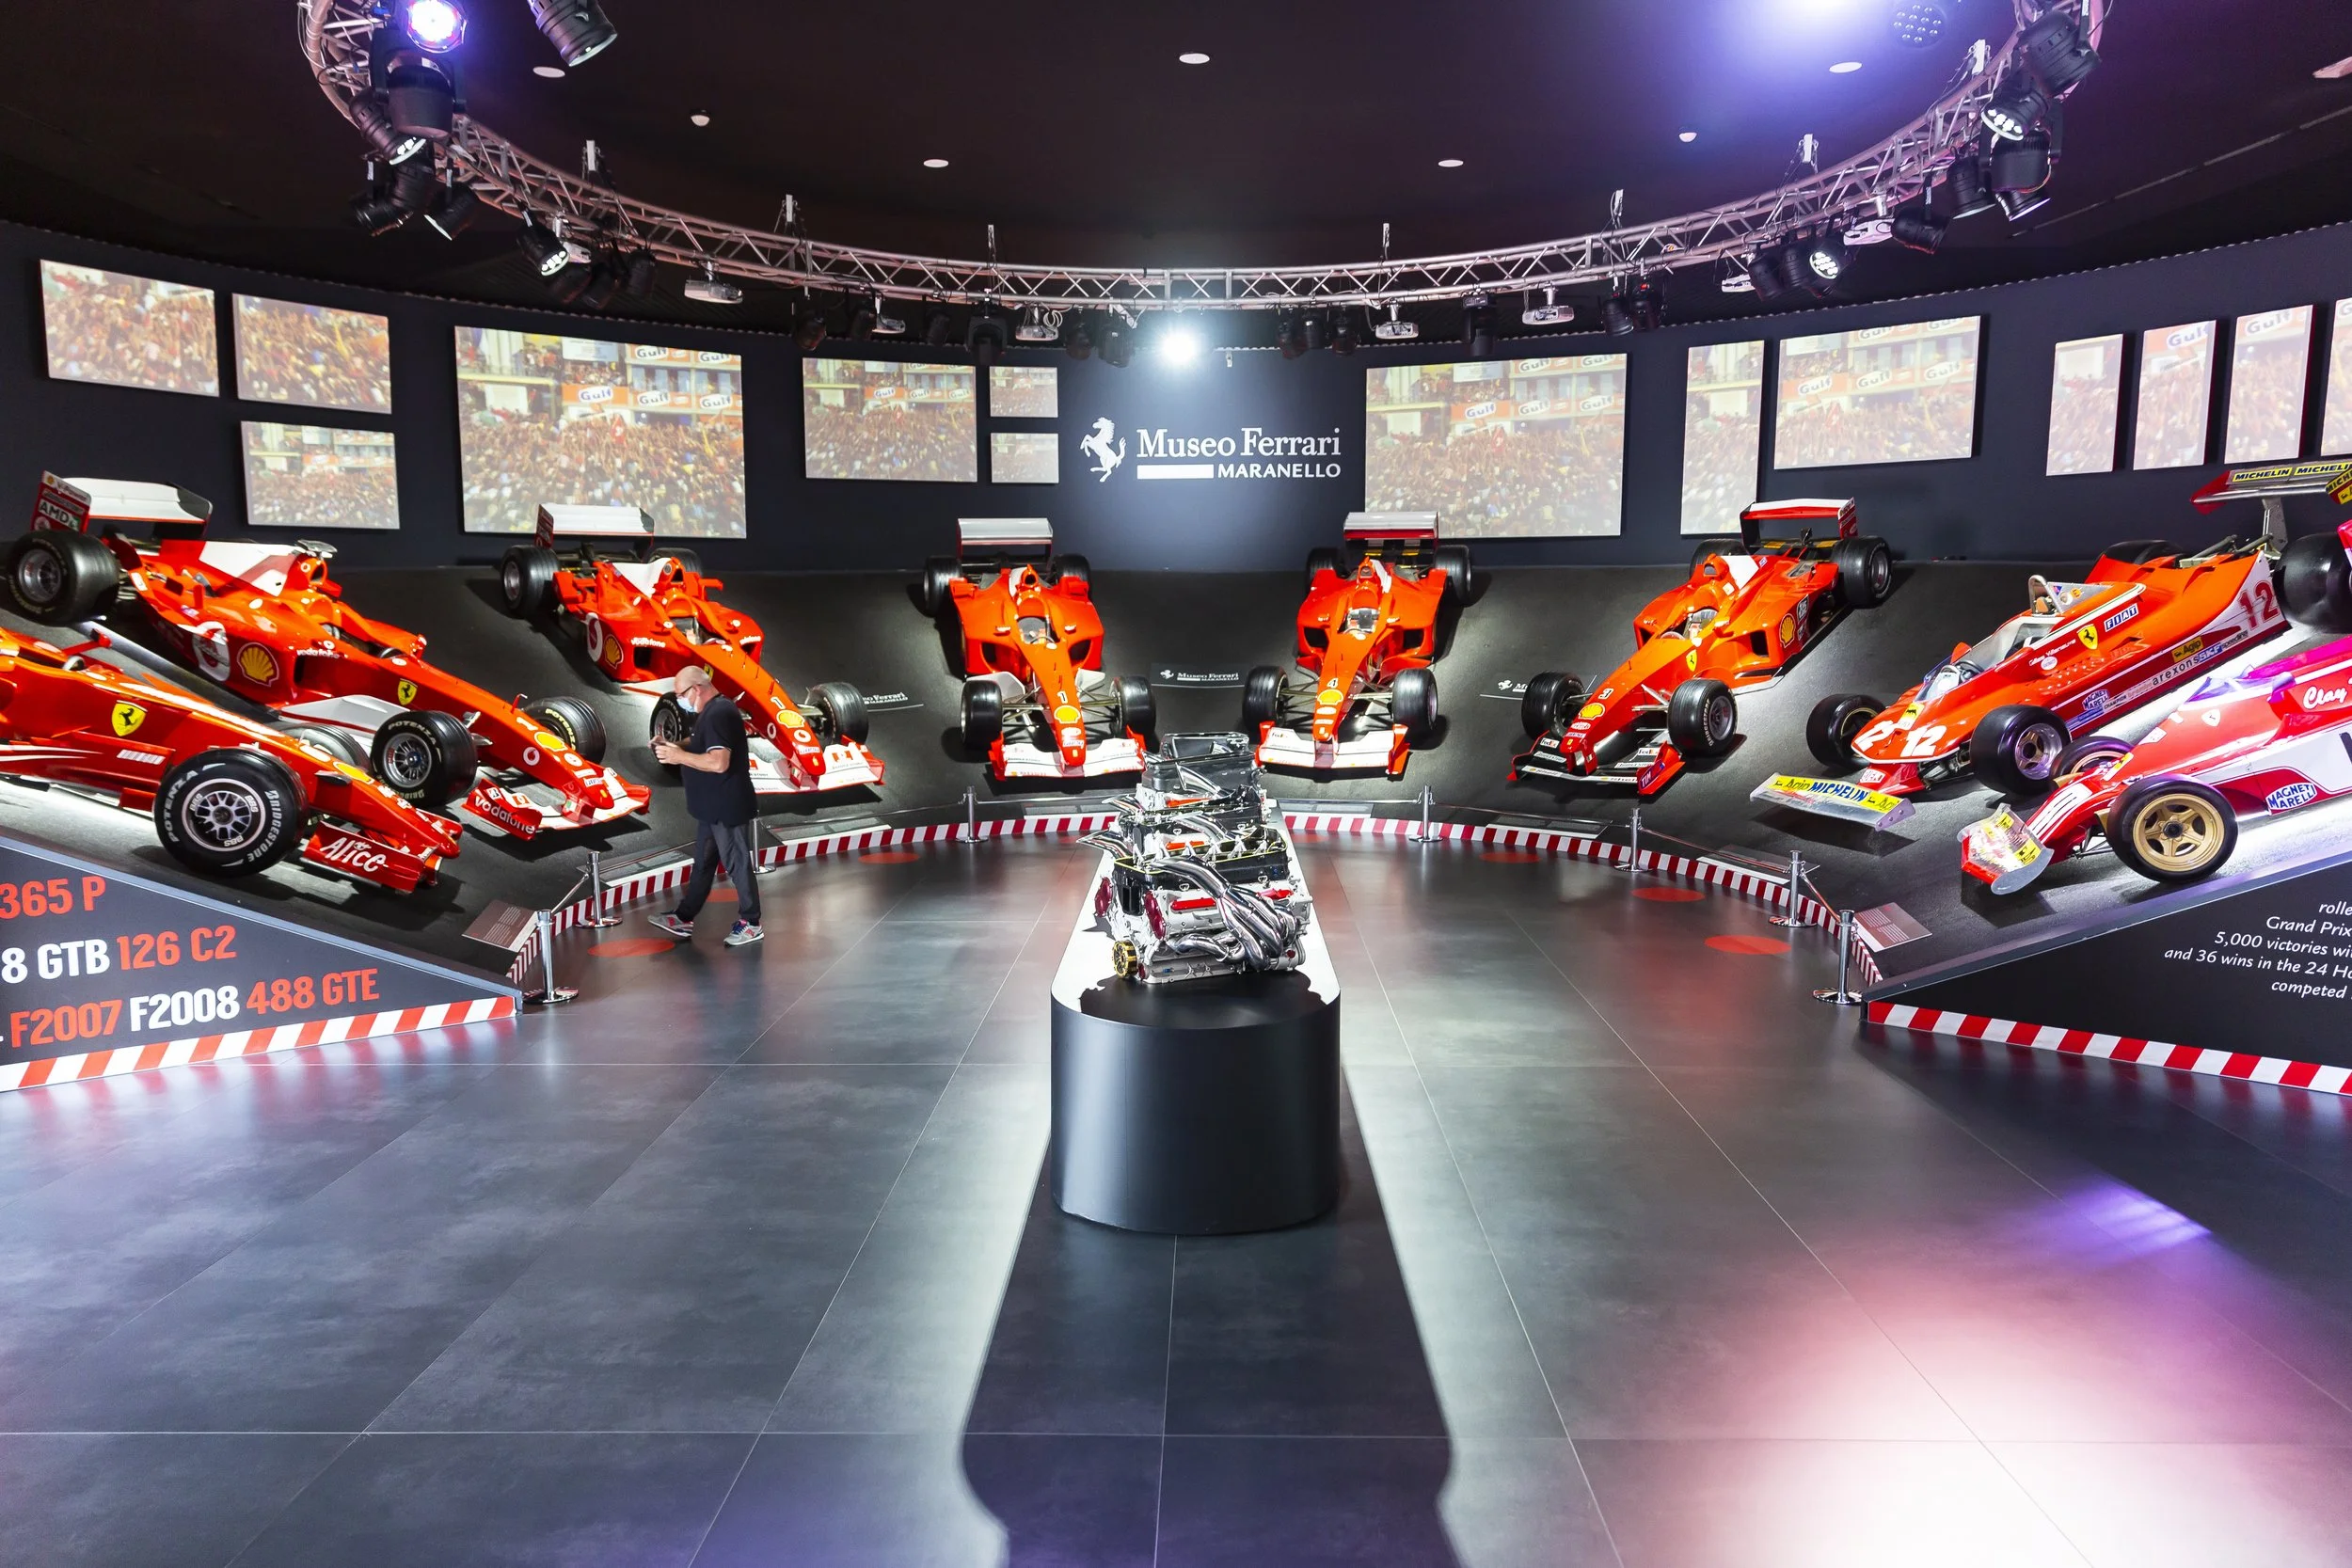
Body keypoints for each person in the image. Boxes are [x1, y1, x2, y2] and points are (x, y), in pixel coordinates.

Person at [648, 666, 764, 945]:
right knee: (703, 864)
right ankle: (684, 917)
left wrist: (678, 758)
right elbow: (700, 743)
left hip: (726, 807)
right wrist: (674, 745)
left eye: (680, 694)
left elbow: (718, 761)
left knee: (736, 862)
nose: (679, 700)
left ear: (696, 689)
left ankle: (751, 922)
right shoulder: (711, 713)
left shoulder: (719, 713)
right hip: (712, 808)